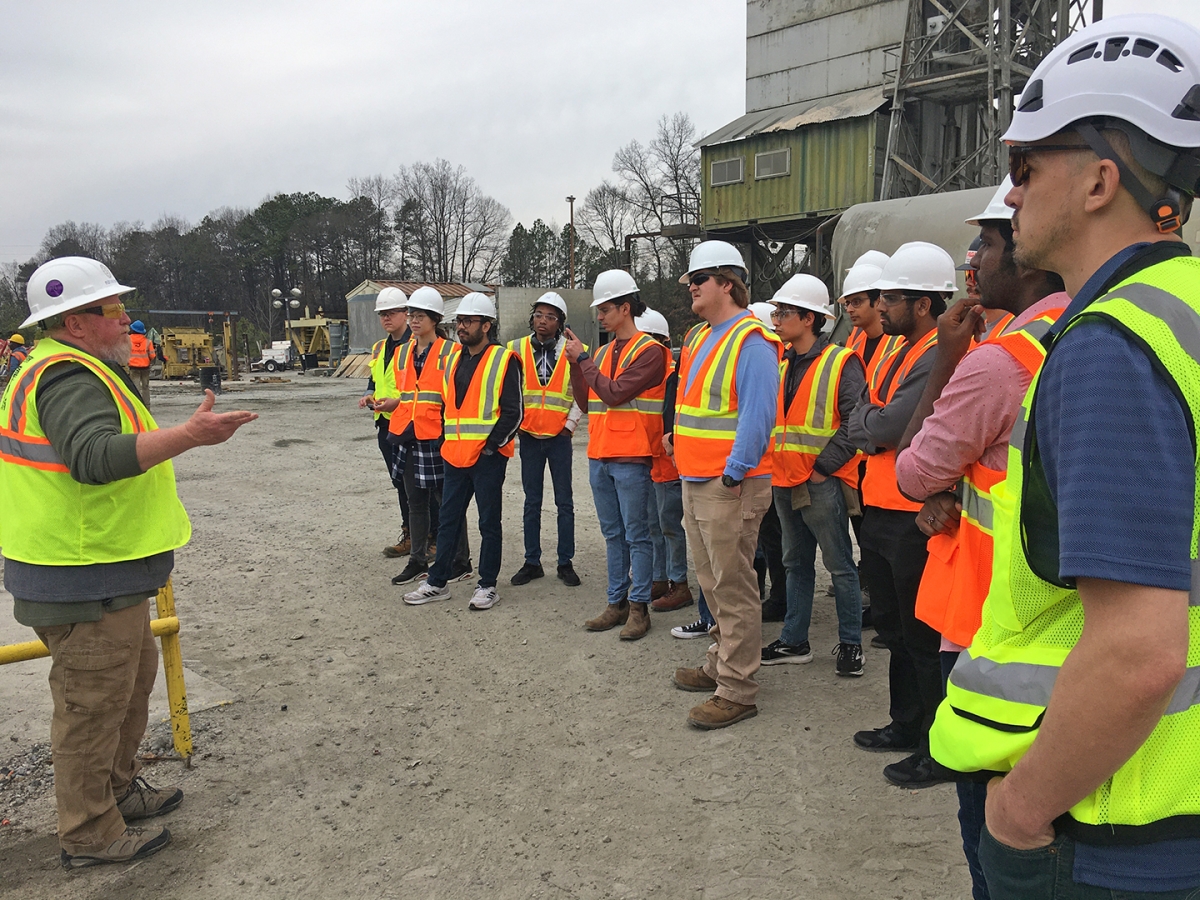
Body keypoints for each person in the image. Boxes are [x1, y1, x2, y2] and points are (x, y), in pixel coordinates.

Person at [928, 14, 1200, 897]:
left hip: (1115, 822)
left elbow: (1136, 654)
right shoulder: (1184, 311)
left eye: (1024, 169)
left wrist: (1019, 813)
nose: (1009, 197)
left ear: (1098, 182)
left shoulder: (1114, 344)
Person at [0, 257, 256, 868]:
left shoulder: (74, 368)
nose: (123, 318)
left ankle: (115, 792)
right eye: (110, 309)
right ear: (74, 321)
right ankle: (89, 833)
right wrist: (188, 436)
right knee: (91, 707)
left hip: (103, 573)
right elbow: (93, 457)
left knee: (128, 687)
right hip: (81, 576)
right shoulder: (66, 376)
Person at [895, 178, 1068, 900]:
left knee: (992, 837)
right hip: (1070, 628)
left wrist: (947, 358)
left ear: (1026, 258)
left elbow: (913, 467)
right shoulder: (1090, 334)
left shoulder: (998, 362)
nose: (974, 254)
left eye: (989, 240)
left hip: (991, 625)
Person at [847, 241, 953, 787]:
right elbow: (863, 414)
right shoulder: (892, 348)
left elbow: (884, 426)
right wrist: (872, 422)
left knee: (921, 635)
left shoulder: (938, 351)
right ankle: (904, 724)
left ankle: (935, 746)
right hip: (880, 508)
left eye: (892, 297)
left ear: (925, 304)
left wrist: (871, 424)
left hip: (914, 517)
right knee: (892, 628)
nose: (880, 305)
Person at [668, 240, 781, 729]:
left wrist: (733, 471)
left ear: (728, 284)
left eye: (699, 280)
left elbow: (758, 418)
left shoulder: (752, 341)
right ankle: (721, 662)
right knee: (713, 581)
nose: (691, 287)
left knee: (733, 585)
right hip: (697, 480)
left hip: (727, 484)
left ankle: (737, 687)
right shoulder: (699, 336)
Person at [761, 274, 866, 676]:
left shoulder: (841, 361)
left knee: (839, 564)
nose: (776, 317)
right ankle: (794, 640)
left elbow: (856, 422)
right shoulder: (781, 361)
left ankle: (851, 644)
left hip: (819, 481)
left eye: (783, 312)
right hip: (785, 480)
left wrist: (823, 468)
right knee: (795, 563)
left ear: (809, 319)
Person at [564, 270, 667, 641]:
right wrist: (578, 364)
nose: (600, 316)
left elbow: (614, 393)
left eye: (605, 309)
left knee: (637, 535)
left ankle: (639, 608)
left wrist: (585, 360)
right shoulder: (603, 352)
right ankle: (617, 603)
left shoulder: (652, 352)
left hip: (632, 457)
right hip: (601, 455)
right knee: (613, 534)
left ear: (626, 308)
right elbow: (586, 402)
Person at [403, 293, 521, 611]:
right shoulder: (455, 359)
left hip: (487, 458)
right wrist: (445, 441)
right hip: (454, 455)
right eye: (459, 321)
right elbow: (448, 407)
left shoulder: (503, 359)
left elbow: (514, 412)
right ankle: (438, 581)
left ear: (487, 325)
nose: (461, 327)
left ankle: (487, 585)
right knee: (448, 520)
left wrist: (492, 447)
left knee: (488, 522)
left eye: (468, 321)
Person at [382, 286, 470, 587]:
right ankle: (418, 560)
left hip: (438, 437)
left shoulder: (452, 352)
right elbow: (407, 394)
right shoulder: (402, 352)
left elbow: (457, 397)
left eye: (420, 316)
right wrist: (390, 404)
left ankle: (461, 560)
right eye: (411, 315)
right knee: (415, 501)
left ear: (434, 318)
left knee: (448, 503)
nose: (414, 321)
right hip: (408, 435)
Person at [506, 292, 582, 588]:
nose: (543, 322)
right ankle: (532, 562)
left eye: (550, 317)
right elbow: (510, 391)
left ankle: (565, 562)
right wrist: (517, 426)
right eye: (538, 315)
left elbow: (580, 390)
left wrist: (570, 425)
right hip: (529, 437)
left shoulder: (574, 350)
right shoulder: (516, 349)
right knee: (531, 502)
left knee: (565, 502)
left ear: (560, 322)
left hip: (559, 438)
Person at [633, 308, 694, 613]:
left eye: (649, 341)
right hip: (649, 463)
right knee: (653, 525)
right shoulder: (640, 376)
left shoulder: (672, 376)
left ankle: (678, 583)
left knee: (669, 526)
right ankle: (660, 578)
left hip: (669, 464)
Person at [357, 287, 413, 558]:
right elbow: (375, 380)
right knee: (399, 481)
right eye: (382, 314)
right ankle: (411, 533)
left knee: (420, 483)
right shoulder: (380, 347)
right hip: (385, 423)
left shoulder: (417, 345)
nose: (386, 318)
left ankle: (430, 535)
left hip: (410, 422)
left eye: (391, 313)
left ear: (406, 313)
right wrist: (369, 394)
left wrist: (399, 402)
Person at [126, 321, 154, 404]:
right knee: (145, 387)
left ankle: (137, 404)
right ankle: (147, 405)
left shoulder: (127, 340)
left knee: (135, 387)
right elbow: (152, 355)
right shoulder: (148, 342)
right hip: (145, 368)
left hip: (133, 368)